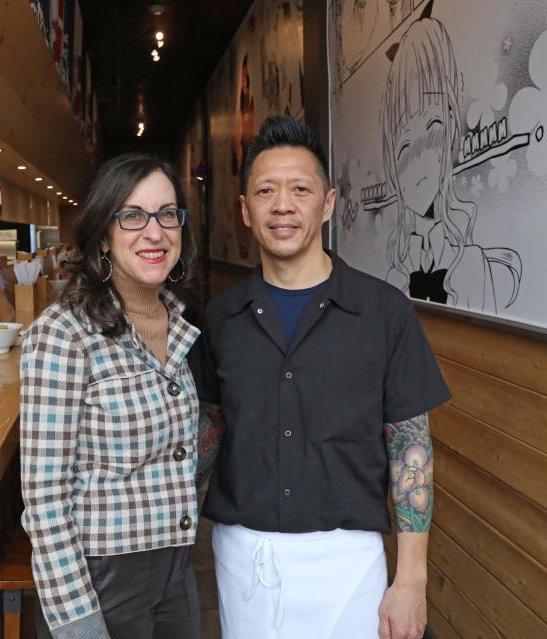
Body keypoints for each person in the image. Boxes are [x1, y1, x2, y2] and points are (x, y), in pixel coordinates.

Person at [192, 116, 451, 639]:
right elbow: (208, 435)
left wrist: (411, 581)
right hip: (246, 557)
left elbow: (410, 451)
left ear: (327, 203)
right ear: (245, 210)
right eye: (265, 190)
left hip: (349, 561)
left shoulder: (383, 313)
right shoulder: (220, 321)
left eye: (300, 189)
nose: (282, 205)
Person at [20, 154, 202, 639]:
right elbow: (44, 500)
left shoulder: (178, 322)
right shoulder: (63, 334)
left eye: (168, 214)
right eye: (132, 216)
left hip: (176, 562)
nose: (154, 231)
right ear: (104, 234)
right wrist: (78, 622)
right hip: (103, 575)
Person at [381, 16, 521, 312]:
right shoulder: (393, 281)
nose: (418, 161)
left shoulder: (470, 267)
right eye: (405, 146)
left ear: (451, 131)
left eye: (433, 129)